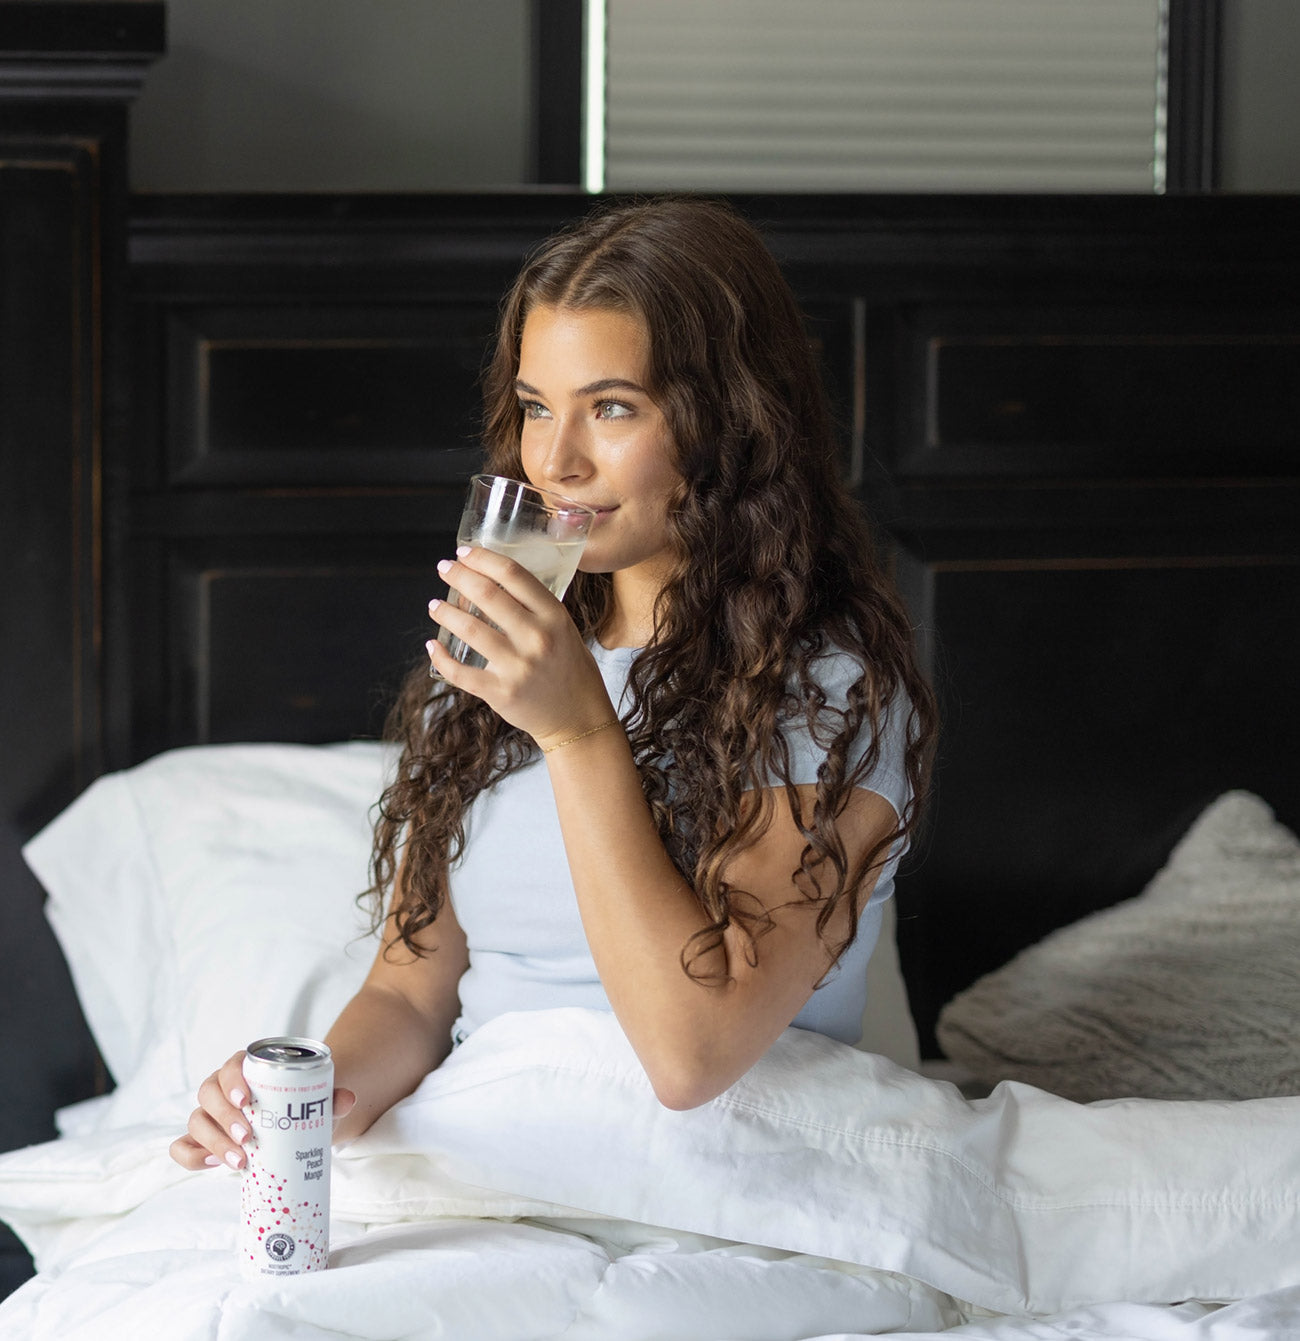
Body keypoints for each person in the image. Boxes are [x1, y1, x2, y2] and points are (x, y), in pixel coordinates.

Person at [170, 196, 937, 1172]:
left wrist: (579, 735)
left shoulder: (824, 689)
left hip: (736, 1172)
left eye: (612, 407)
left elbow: (692, 1058)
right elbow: (410, 995)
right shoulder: (504, 657)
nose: (557, 462)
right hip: (508, 1144)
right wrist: (306, 1100)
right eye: (537, 407)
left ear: (731, 422)